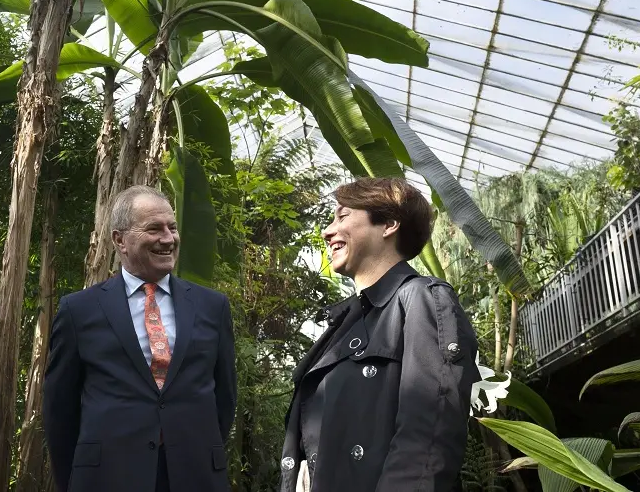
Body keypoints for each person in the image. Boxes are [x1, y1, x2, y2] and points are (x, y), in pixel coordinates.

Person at [280, 177, 479, 492]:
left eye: (342, 216)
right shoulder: (343, 322)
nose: (327, 231)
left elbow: (428, 433)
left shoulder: (421, 298)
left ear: (388, 224)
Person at [43, 186, 237, 492]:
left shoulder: (213, 307)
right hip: (107, 477)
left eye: (172, 228)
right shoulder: (78, 311)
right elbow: (60, 410)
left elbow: (225, 398)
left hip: (195, 475)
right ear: (119, 240)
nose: (168, 238)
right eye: (154, 229)